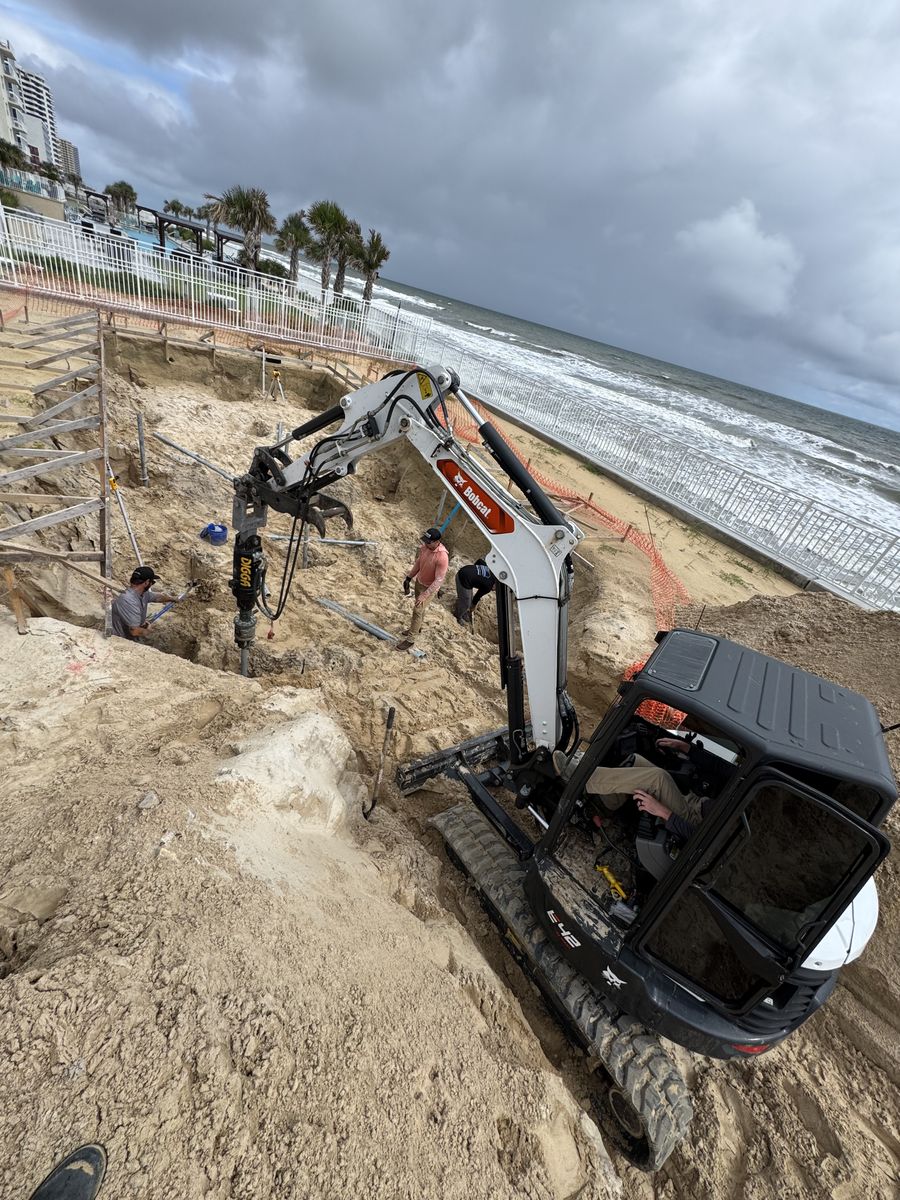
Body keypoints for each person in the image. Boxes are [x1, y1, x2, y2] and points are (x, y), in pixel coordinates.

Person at [554, 735, 735, 843]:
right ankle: (605, 802)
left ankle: (580, 778)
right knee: (635, 760)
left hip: (692, 822)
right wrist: (685, 747)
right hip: (695, 802)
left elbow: (701, 840)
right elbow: (720, 767)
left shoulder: (741, 808)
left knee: (658, 778)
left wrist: (663, 812)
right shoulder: (746, 777)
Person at [396, 527, 449, 650]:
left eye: (429, 542)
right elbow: (419, 563)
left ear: (437, 542)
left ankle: (410, 640)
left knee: (417, 611)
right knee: (420, 610)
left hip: (430, 587)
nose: (426, 544)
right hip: (419, 582)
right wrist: (409, 577)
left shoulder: (442, 557)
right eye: (425, 541)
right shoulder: (425, 548)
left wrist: (425, 594)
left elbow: (439, 580)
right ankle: (417, 627)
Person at [110, 566, 178, 641]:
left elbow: (157, 597)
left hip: (131, 638)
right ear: (146, 583)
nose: (152, 584)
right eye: (152, 582)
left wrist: (172, 599)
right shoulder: (128, 600)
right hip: (120, 641)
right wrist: (148, 631)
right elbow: (134, 631)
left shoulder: (142, 594)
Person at [453, 558, 495, 625]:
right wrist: (472, 608)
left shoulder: (492, 571)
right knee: (466, 602)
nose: (494, 590)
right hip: (463, 579)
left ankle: (464, 612)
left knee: (469, 599)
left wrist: (474, 573)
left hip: (465, 570)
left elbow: (480, 561)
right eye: (495, 589)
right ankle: (458, 616)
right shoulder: (488, 586)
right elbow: (477, 597)